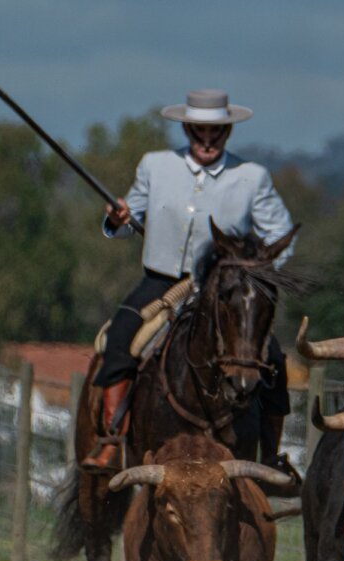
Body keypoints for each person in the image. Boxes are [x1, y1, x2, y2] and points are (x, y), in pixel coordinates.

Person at [83, 89, 296, 475]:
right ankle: (112, 440)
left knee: (274, 361)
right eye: (200, 133)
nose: (208, 141)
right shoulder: (155, 166)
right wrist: (118, 219)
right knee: (119, 342)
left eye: (216, 134)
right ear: (187, 128)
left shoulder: (251, 178)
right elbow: (129, 221)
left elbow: (282, 235)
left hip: (227, 292)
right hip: (160, 282)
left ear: (228, 132)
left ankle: (270, 456)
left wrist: (252, 273)